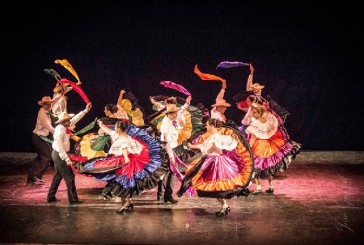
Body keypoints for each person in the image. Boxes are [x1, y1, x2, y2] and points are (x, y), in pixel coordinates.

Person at [75, 119, 169, 214]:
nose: (114, 128)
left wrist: (125, 161)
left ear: (119, 129)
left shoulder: (123, 140)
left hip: (125, 163)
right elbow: (110, 131)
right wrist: (101, 125)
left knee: (123, 185)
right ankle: (127, 203)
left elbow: (125, 151)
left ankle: (126, 204)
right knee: (121, 185)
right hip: (123, 161)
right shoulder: (122, 135)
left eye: (115, 127)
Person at [177, 118, 253, 217]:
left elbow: (208, 149)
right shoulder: (216, 137)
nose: (206, 127)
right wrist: (190, 144)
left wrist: (192, 146)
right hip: (215, 161)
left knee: (216, 187)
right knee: (216, 188)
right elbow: (203, 147)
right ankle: (224, 205)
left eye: (207, 125)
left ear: (212, 126)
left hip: (216, 162)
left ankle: (225, 205)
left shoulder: (216, 138)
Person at [245, 104, 299, 194]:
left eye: (254, 113)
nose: (253, 114)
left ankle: (258, 187)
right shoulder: (267, 121)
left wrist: (249, 147)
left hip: (258, 145)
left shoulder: (255, 123)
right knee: (268, 166)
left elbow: (253, 137)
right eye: (252, 113)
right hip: (267, 144)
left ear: (260, 113)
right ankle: (271, 186)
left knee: (256, 166)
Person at [47, 102, 92, 204]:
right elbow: (59, 147)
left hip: (60, 153)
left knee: (58, 175)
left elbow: (76, 118)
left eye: (68, 120)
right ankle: (73, 200)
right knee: (70, 176)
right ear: (62, 122)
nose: (70, 121)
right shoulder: (60, 131)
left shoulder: (66, 125)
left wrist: (85, 110)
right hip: (59, 154)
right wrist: (67, 159)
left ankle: (50, 196)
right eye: (67, 120)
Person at [158, 97, 191, 204]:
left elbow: (181, 111)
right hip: (167, 149)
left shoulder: (173, 119)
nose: (175, 115)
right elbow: (166, 141)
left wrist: (187, 103)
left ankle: (167, 195)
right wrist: (170, 155)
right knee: (166, 172)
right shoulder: (166, 123)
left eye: (175, 113)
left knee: (172, 172)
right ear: (168, 114)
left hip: (173, 148)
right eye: (173, 114)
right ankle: (162, 196)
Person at [28, 96, 60, 185]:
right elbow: (49, 127)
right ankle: (36, 177)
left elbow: (55, 100)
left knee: (40, 158)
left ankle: (31, 177)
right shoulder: (42, 113)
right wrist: (60, 133)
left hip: (40, 138)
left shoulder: (47, 110)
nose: (50, 105)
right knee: (46, 157)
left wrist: (63, 92)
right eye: (48, 104)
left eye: (50, 104)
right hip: (39, 138)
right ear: (44, 104)